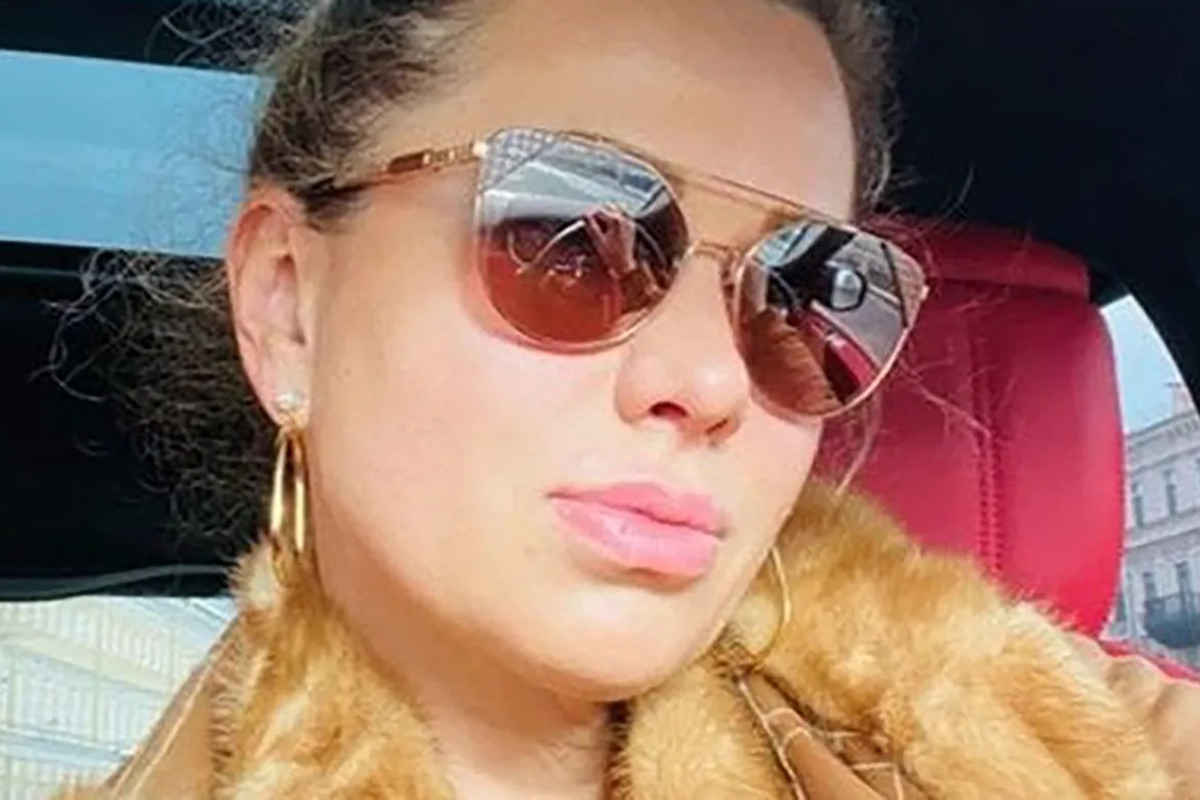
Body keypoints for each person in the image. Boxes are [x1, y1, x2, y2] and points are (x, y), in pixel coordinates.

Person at [56, 0, 1200, 798]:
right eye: (567, 238)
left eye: (805, 288)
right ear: (288, 303)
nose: (709, 381)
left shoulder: (1070, 739)